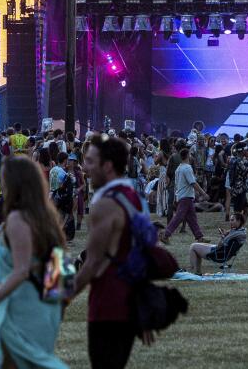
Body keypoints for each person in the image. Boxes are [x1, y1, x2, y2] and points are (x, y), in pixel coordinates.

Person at [0, 157, 67, 369]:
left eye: (4, 178)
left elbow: (21, 271)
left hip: (22, 306)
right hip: (45, 308)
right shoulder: (47, 218)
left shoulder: (18, 219)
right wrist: (55, 308)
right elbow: (59, 265)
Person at [73, 135, 146, 369]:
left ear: (107, 166)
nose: (85, 168)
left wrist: (59, 299)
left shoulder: (104, 204)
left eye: (90, 161)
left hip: (107, 306)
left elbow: (92, 263)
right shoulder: (131, 197)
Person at [159, 147, 206, 244]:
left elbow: (177, 183)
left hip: (182, 195)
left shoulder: (179, 168)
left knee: (192, 218)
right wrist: (203, 193)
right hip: (186, 197)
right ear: (188, 155)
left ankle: (199, 237)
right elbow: (193, 183)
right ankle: (166, 234)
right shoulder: (187, 168)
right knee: (179, 217)